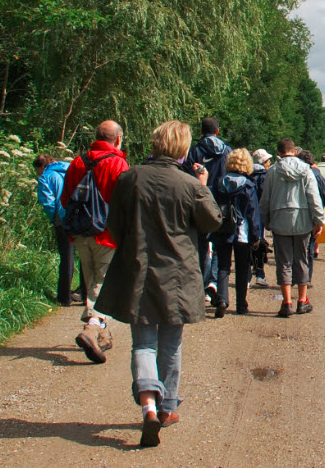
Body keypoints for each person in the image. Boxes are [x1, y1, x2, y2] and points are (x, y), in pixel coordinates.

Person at [94, 120, 223, 448]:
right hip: (178, 276)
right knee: (171, 343)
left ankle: (149, 405)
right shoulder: (189, 184)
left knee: (143, 343)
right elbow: (212, 222)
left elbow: (114, 226)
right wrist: (203, 185)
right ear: (182, 148)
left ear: (155, 143)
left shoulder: (130, 178)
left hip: (138, 271)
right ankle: (166, 407)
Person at [60, 120, 129, 364]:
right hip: (106, 234)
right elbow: (123, 201)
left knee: (91, 282)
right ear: (117, 139)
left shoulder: (78, 161)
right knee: (105, 283)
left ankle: (103, 335)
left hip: (80, 232)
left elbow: (66, 197)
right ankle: (91, 328)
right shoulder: (117, 162)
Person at [259, 138, 323, 318]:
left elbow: (265, 199)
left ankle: (286, 302)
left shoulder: (272, 172)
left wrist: (265, 219)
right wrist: (319, 220)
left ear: (279, 153)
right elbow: (313, 197)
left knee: (284, 262)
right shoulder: (306, 170)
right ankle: (302, 301)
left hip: (280, 221)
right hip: (302, 220)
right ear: (294, 151)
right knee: (301, 260)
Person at [209, 149, 263, 317]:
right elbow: (252, 212)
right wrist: (256, 236)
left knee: (223, 266)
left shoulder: (220, 182)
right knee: (242, 267)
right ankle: (241, 304)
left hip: (223, 229)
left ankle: (223, 300)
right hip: (242, 231)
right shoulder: (247, 185)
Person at [185, 117, 232, 309]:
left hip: (199, 201)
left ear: (201, 131)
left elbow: (187, 175)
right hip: (221, 202)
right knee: (220, 244)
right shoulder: (227, 150)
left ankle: (202, 286)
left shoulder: (194, 151)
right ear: (218, 131)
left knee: (202, 245)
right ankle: (215, 283)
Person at [34, 154, 81, 306]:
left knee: (67, 256)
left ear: (41, 167)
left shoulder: (46, 177)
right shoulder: (72, 169)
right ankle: (84, 294)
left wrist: (53, 218)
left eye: (37, 171)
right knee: (84, 256)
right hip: (81, 216)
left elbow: (48, 203)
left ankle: (64, 297)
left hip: (63, 218)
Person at [299, 148, 325, 283]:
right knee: (321, 233)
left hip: (298, 212)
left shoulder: (302, 173)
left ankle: (316, 249)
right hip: (321, 208)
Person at [249, 149, 273, 289]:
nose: (269, 163)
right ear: (263, 162)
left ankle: (247, 277)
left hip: (247, 213)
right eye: (268, 161)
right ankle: (260, 274)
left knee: (248, 244)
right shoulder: (265, 176)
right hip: (260, 214)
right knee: (259, 244)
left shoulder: (247, 173)